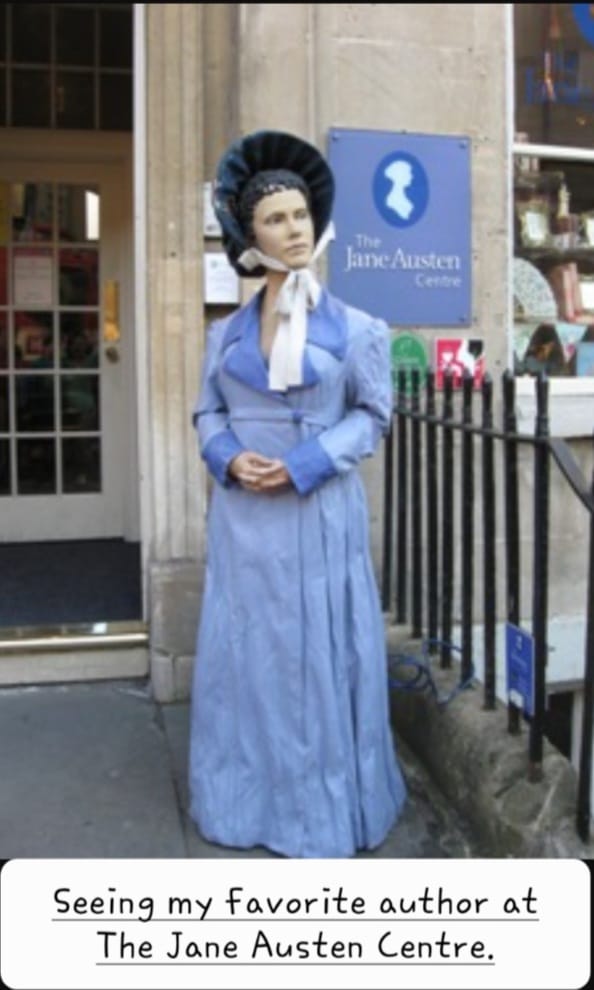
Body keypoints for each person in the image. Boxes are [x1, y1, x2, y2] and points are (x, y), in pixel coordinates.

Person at [188, 130, 407, 858]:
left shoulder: (363, 329)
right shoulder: (225, 337)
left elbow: (374, 416)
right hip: (245, 521)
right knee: (250, 664)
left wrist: (309, 459)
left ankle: (320, 817)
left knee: (318, 660)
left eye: (301, 214)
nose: (293, 229)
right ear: (247, 234)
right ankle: (244, 806)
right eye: (275, 219)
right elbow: (206, 412)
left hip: (317, 517)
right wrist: (226, 456)